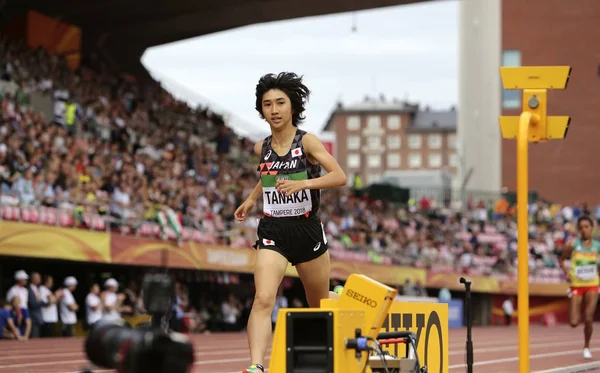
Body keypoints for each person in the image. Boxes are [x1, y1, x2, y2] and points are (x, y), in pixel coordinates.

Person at [234, 72, 346, 373]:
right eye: (267, 104)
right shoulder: (262, 148)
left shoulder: (307, 141)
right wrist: (251, 199)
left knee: (318, 305)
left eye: (280, 103)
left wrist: (304, 186)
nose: (274, 109)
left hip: (307, 230)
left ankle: (334, 308)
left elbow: (339, 176)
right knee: (263, 298)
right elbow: (268, 175)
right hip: (273, 231)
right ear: (261, 109)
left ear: (292, 106)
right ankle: (257, 366)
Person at [559, 216, 600, 359]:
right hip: (576, 284)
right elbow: (561, 259)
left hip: (593, 284)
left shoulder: (597, 246)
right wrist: (566, 273)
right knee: (574, 322)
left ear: (592, 228)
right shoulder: (573, 244)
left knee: (589, 318)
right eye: (581, 227)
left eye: (586, 227)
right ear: (578, 230)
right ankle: (574, 297)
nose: (584, 230)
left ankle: (587, 346)